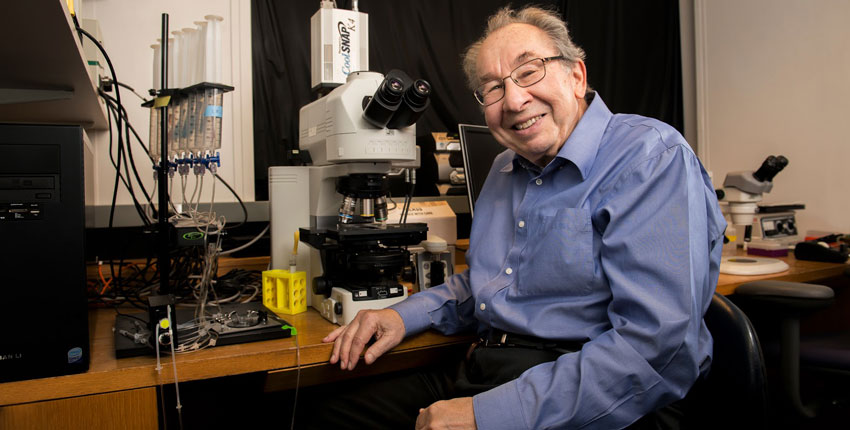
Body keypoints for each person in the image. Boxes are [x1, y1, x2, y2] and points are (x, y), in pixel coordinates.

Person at [318, 5, 726, 429]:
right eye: (492, 88)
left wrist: (485, 416)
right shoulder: (504, 167)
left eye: (529, 71)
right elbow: (488, 285)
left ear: (576, 77)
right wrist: (402, 315)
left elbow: (655, 348)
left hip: (593, 390)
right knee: (321, 416)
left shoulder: (650, 157)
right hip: (489, 369)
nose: (513, 100)